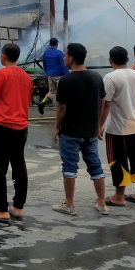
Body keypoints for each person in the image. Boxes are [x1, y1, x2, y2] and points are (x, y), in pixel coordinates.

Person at [52, 43, 109, 216]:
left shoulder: (66, 80)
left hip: (70, 131)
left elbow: (62, 107)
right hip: (90, 132)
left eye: (65, 55)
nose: (64, 58)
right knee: (95, 166)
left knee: (69, 167)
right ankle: (102, 203)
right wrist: (98, 125)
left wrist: (56, 127)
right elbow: (103, 103)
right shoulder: (96, 77)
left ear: (72, 58)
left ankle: (69, 204)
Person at [0, 43, 33, 224]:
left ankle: (1, 210)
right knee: (19, 165)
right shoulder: (27, 77)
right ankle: (18, 207)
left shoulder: (1, 74)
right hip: (21, 127)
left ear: (3, 56)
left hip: (2, 126)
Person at [100, 46, 135, 206]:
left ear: (110, 60)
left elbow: (106, 105)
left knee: (117, 161)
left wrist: (99, 125)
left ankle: (119, 197)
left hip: (117, 128)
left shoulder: (110, 77)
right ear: (127, 58)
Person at [38, 38, 69, 115]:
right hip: (60, 76)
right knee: (61, 93)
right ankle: (60, 111)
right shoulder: (59, 53)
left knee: (52, 92)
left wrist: (47, 73)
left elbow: (44, 64)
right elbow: (63, 65)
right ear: (57, 44)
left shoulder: (45, 53)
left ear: (50, 44)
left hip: (50, 75)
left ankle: (42, 102)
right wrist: (68, 75)